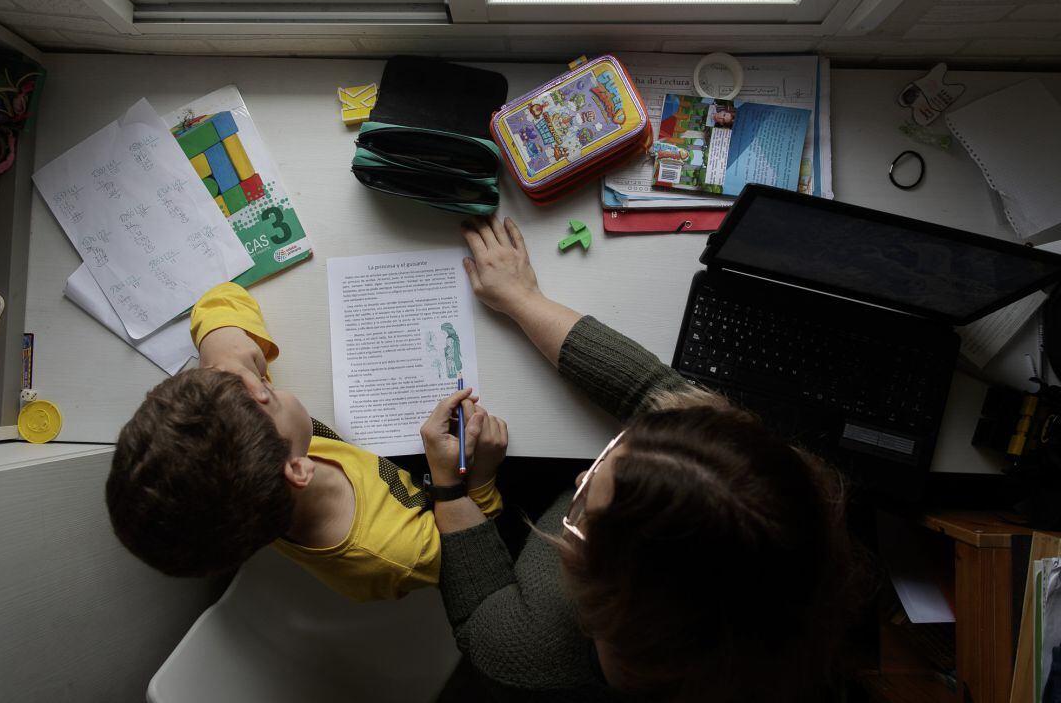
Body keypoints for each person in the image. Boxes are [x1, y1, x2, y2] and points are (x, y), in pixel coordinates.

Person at [421, 217, 860, 702]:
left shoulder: (527, 647)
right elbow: (651, 390)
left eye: (584, 511)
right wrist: (522, 298)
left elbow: (479, 614)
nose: (582, 474)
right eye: (614, 450)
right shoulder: (766, 502)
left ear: (603, 589)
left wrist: (450, 486)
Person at [106, 282, 505, 601]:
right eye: (267, 392)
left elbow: (220, 294)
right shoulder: (395, 554)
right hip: (454, 503)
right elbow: (474, 562)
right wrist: (476, 479)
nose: (263, 384)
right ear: (298, 469)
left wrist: (220, 345)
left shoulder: (253, 458)